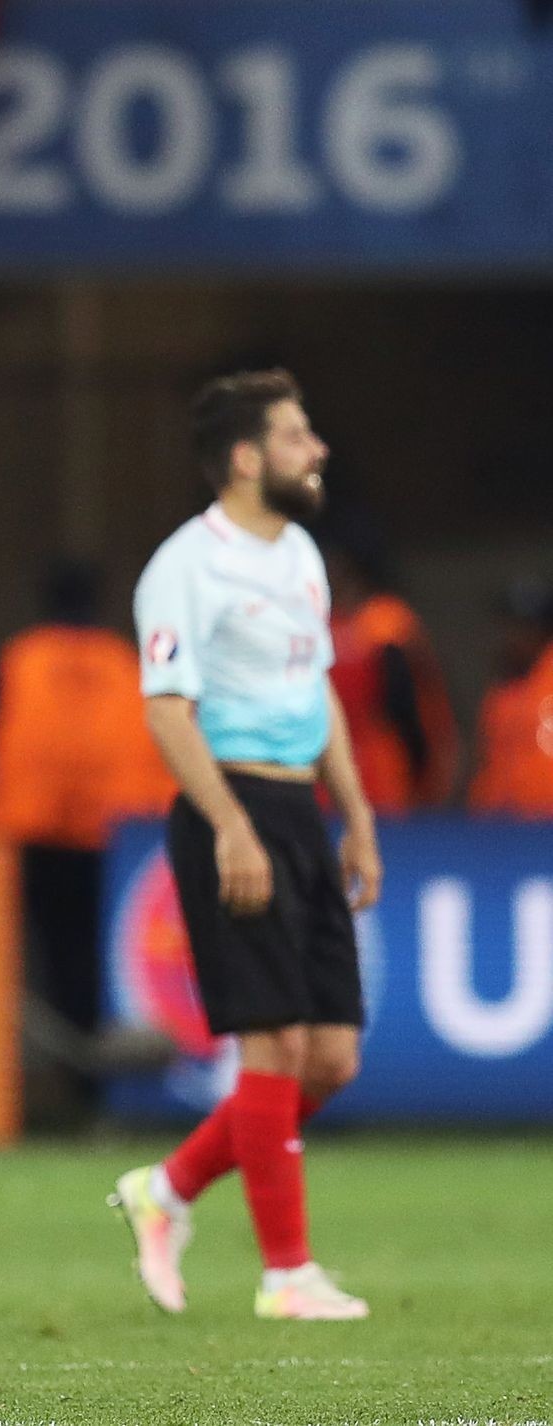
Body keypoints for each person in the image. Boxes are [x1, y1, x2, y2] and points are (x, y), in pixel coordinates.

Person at [110, 369, 381, 1322]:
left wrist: (354, 812)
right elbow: (166, 710)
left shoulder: (300, 553)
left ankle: (168, 1189)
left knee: (331, 1059)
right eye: (297, 434)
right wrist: (229, 825)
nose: (317, 450)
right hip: (230, 810)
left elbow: (319, 696)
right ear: (244, 457)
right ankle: (286, 1275)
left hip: (301, 811)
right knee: (271, 1045)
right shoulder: (185, 565)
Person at [0, 560, 173, 1109]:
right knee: (90, 966)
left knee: (21, 967)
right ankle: (92, 1094)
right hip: (107, 838)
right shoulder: (120, 660)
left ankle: (29, 1096)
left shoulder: (21, 657)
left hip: (30, 833)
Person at [322, 540, 457, 812]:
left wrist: (428, 766)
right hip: (325, 761)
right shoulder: (316, 620)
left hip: (381, 763)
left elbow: (411, 704)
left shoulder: (387, 622)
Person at [466, 579, 553, 815]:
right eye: (509, 627)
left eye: (522, 627)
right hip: (502, 833)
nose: (511, 637)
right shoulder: (501, 692)